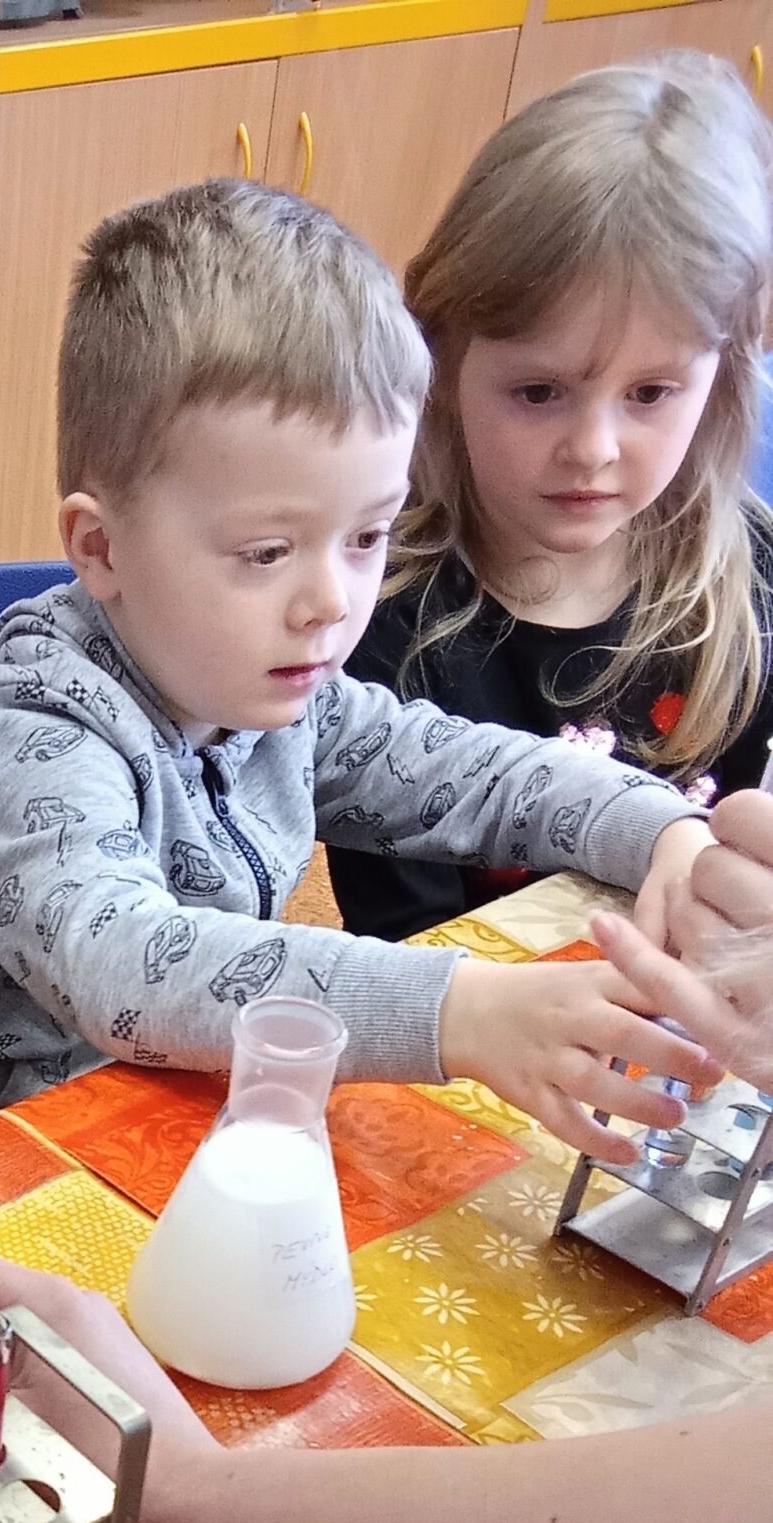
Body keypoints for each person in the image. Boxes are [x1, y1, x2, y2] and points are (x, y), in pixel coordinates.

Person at [0, 180, 721, 1153]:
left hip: (192, 1109)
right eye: (267, 553)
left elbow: (474, 773)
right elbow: (127, 967)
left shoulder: (280, 692)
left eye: (366, 536)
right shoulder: (34, 721)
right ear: (101, 549)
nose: (332, 602)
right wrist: (459, 1012)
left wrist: (664, 835)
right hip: (1, 1159)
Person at [329, 54, 773, 941]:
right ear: (441, 361)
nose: (593, 450)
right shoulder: (374, 616)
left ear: (720, 377)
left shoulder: (752, 577)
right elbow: (410, 953)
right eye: (538, 392)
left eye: (650, 393)